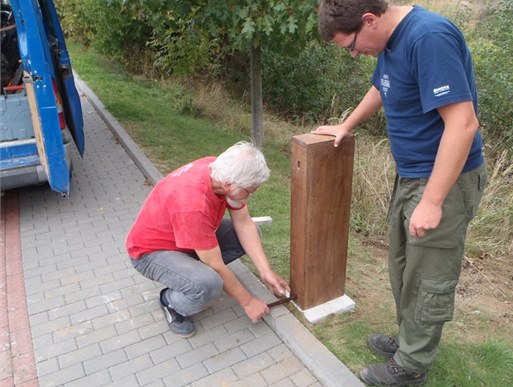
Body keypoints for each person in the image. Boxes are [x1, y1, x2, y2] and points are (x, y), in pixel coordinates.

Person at [314, 1, 487, 385]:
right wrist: (346, 124)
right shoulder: (391, 42)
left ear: (369, 20)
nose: (355, 55)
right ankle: (408, 341)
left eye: (352, 47)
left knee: (429, 276)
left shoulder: (428, 37)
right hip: (412, 176)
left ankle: (411, 366)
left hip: (443, 182)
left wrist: (433, 201)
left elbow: (463, 124)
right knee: (405, 269)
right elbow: (383, 85)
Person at [126, 141, 290, 338]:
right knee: (209, 284)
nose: (250, 195)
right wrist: (248, 302)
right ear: (229, 185)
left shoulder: (218, 169)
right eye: (249, 191)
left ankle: (189, 273)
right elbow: (216, 265)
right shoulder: (192, 204)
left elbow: (244, 224)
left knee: (252, 232)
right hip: (150, 253)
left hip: (184, 238)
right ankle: (171, 302)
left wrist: (265, 271)